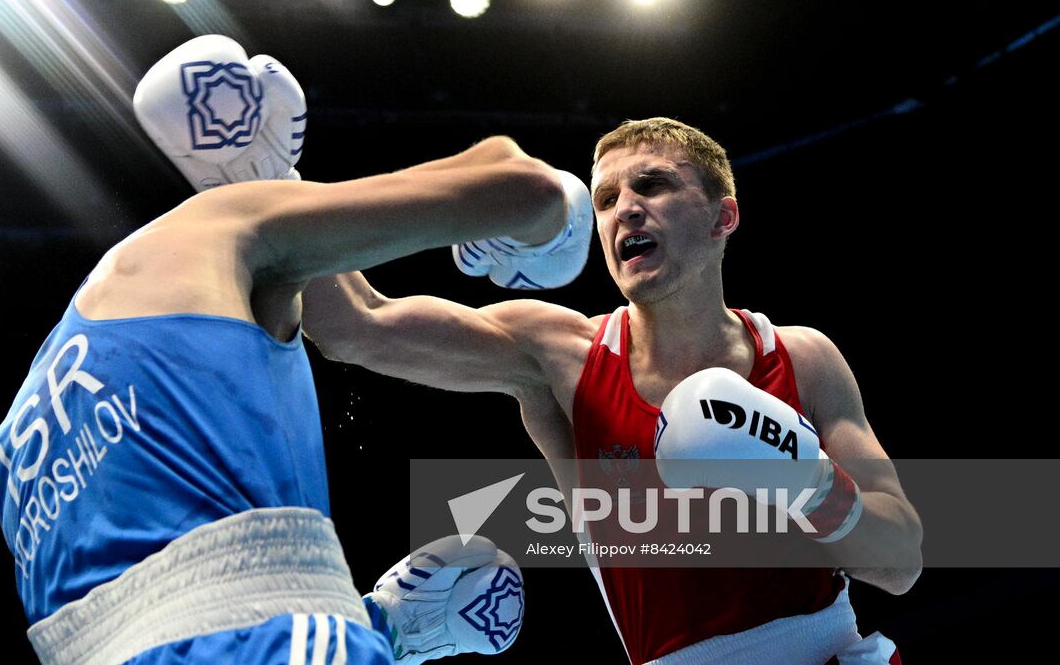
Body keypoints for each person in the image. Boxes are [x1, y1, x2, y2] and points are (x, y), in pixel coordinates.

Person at [0, 35, 561, 664]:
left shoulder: (17, 428)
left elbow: (162, 608)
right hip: (269, 644)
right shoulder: (225, 225)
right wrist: (553, 239)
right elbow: (525, 193)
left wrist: (375, 623)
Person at [302, 116, 923, 664]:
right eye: (605, 199)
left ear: (722, 216)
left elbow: (899, 562)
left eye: (652, 185)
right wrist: (265, 173)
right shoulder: (560, 357)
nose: (624, 207)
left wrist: (804, 479)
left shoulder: (802, 358)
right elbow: (355, 328)